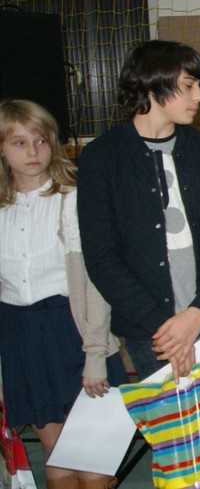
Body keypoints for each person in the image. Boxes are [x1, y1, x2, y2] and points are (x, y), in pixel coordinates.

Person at [76, 40, 200, 487]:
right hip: (151, 334)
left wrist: (196, 315)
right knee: (179, 444)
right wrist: (168, 330)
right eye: (189, 85)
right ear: (152, 86)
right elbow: (102, 258)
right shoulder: (102, 157)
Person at [0, 98, 126, 489]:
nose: (33, 151)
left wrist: (96, 354)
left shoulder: (72, 199)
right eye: (20, 142)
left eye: (41, 141)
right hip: (20, 336)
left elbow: (95, 284)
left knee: (93, 463)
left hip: (72, 331)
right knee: (56, 456)